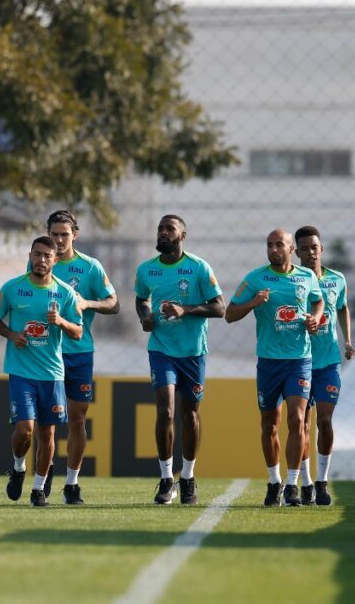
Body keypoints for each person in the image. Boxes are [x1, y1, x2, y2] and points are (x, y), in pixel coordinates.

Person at [226, 229, 323, 507]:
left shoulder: (306, 277)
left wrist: (315, 319)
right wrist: (254, 303)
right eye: (269, 245)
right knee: (270, 424)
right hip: (269, 361)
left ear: (292, 249)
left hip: (300, 360)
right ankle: (274, 480)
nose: (273, 249)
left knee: (297, 420)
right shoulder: (255, 279)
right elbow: (229, 314)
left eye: (279, 244)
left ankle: (292, 484)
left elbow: (318, 300)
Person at [134, 215, 225, 505]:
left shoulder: (198, 268)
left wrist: (185, 310)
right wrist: (145, 316)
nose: (163, 232)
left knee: (190, 415)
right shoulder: (147, 270)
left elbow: (219, 308)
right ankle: (165, 478)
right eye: (160, 228)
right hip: (161, 349)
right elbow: (141, 299)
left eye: (169, 228)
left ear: (182, 234)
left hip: (193, 352)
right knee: (167, 412)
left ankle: (187, 477)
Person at [0, 236, 83, 507]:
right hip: (21, 371)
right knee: (25, 431)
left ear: (55, 260)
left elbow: (78, 332)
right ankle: (18, 467)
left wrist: (62, 321)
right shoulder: (13, 288)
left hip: (52, 374)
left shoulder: (65, 292)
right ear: (30, 255)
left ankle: (38, 489)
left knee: (48, 436)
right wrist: (11, 334)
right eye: (37, 254)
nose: (41, 260)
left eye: (47, 256)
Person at [44, 210, 118, 505]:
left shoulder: (90, 267)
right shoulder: (40, 262)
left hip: (80, 353)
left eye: (64, 234)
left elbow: (114, 303)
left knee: (77, 420)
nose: (59, 240)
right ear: (47, 235)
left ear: (75, 234)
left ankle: (71, 484)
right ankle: (43, 472)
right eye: (54, 235)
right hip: (46, 354)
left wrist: (88, 302)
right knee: (46, 424)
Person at [293, 226, 354, 506]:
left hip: (328, 362)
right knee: (301, 424)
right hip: (299, 360)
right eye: (304, 248)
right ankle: (305, 483)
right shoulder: (293, 280)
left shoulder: (337, 279)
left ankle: (322, 481)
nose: (310, 253)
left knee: (325, 421)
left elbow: (342, 308)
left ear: (321, 249)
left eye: (314, 247)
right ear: (297, 251)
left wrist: (348, 341)